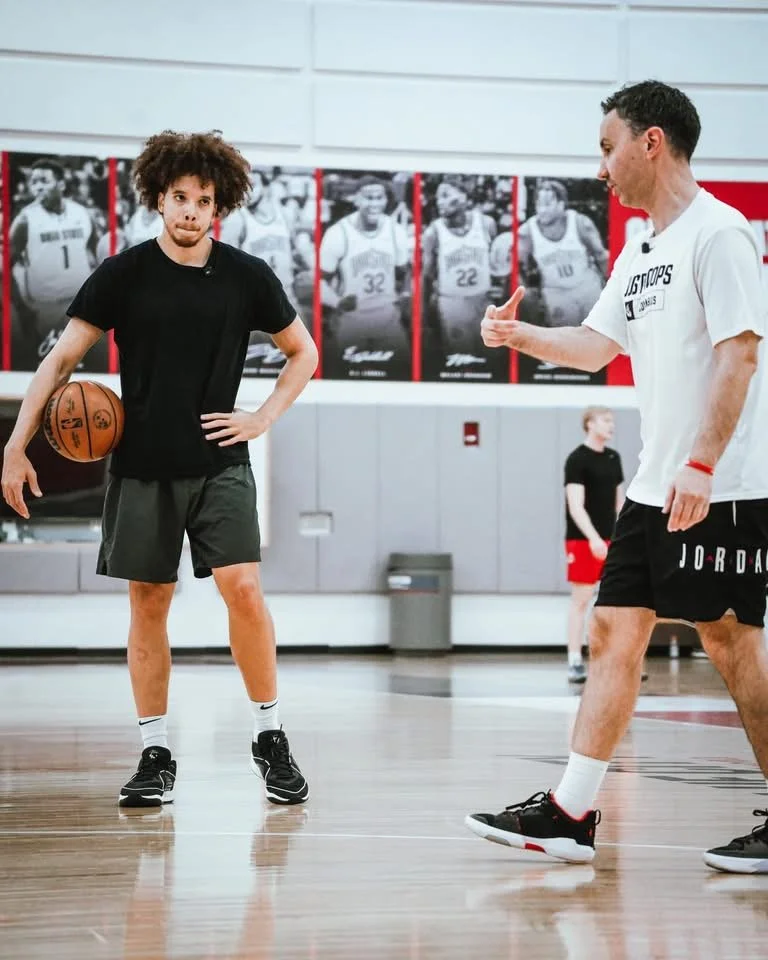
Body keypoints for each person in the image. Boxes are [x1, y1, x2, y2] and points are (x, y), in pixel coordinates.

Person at [465, 80, 768, 874]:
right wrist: (517, 335)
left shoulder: (720, 235)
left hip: (720, 486)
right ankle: (570, 810)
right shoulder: (640, 248)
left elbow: (741, 353)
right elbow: (597, 346)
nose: (600, 166)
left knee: (733, 647)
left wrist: (702, 465)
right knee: (614, 631)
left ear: (653, 141)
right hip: (650, 485)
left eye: (607, 147)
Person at [1, 131, 318, 809]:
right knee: (150, 603)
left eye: (204, 200)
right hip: (141, 463)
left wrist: (261, 418)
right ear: (159, 198)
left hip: (218, 459)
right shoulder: (123, 274)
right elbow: (60, 363)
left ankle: (270, 736)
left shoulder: (246, 275)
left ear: (220, 205)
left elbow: (304, 353)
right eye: (180, 198)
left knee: (244, 589)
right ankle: (155, 752)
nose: (191, 211)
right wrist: (15, 445)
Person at [9, 158, 101, 368]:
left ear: (61, 184)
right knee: (51, 373)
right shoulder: (25, 219)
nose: (37, 186)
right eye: (34, 182)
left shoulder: (81, 213)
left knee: (88, 375)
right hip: (44, 308)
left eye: (43, 180)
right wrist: (22, 309)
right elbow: (5, 268)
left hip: (83, 308)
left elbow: (102, 255)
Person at [319, 175, 411, 367]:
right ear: (356, 200)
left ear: (386, 200)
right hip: (352, 319)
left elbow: (405, 273)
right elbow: (319, 281)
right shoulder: (338, 233)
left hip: (388, 317)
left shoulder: (396, 231)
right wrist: (336, 302)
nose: (374, 204)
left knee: (399, 372)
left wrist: (405, 294)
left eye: (380, 198)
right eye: (369, 198)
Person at [564, 406, 624, 683]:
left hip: (612, 539)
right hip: (582, 541)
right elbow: (575, 506)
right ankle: (575, 659)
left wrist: (620, 538)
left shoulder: (614, 458)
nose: (611, 425)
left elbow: (620, 502)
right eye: (605, 420)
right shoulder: (577, 460)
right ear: (590, 424)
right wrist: (593, 539)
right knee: (582, 600)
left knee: (616, 601)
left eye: (612, 420)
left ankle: (611, 658)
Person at [422, 177, 496, 358]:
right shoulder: (433, 232)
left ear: (464, 197)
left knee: (491, 359)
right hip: (452, 303)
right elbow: (426, 276)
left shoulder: (486, 224)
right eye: (438, 197)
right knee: (463, 359)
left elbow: (497, 263)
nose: (440, 201)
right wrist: (423, 316)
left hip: (483, 301)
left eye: (445, 195)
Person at [518, 180, 608, 328]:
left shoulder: (580, 223)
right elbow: (517, 266)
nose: (542, 210)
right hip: (556, 293)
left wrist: (611, 288)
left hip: (588, 288)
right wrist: (527, 292)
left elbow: (601, 256)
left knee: (598, 335)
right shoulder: (527, 232)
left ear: (561, 205)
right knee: (566, 342)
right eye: (539, 205)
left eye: (547, 204)